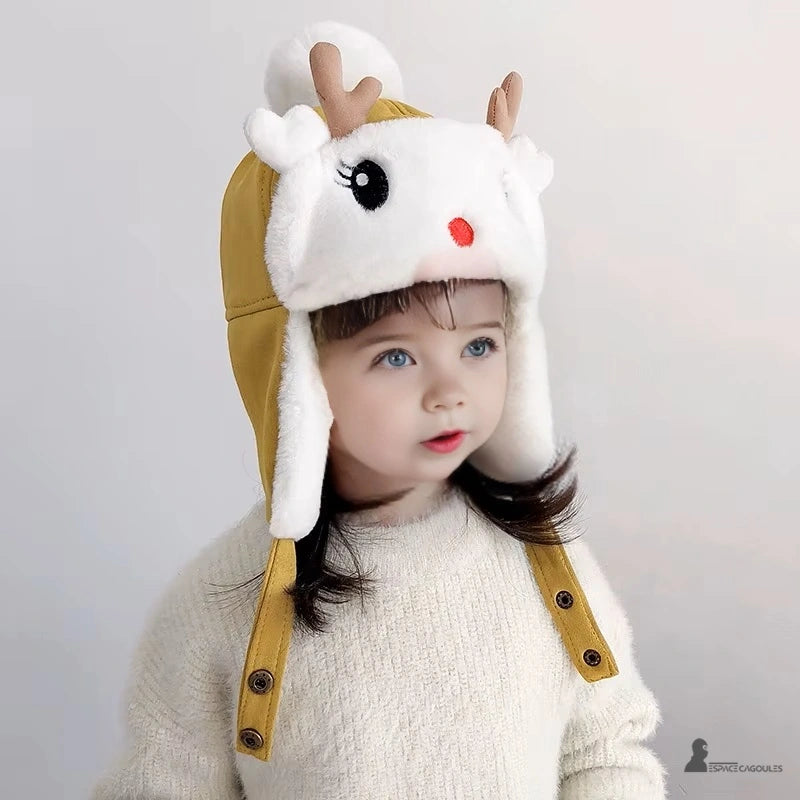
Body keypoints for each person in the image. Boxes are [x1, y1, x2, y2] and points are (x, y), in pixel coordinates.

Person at [91, 20, 668, 800]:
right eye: (396, 356)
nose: (449, 390)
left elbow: (607, 748)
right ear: (294, 372)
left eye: (480, 345)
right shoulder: (222, 607)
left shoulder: (545, 565)